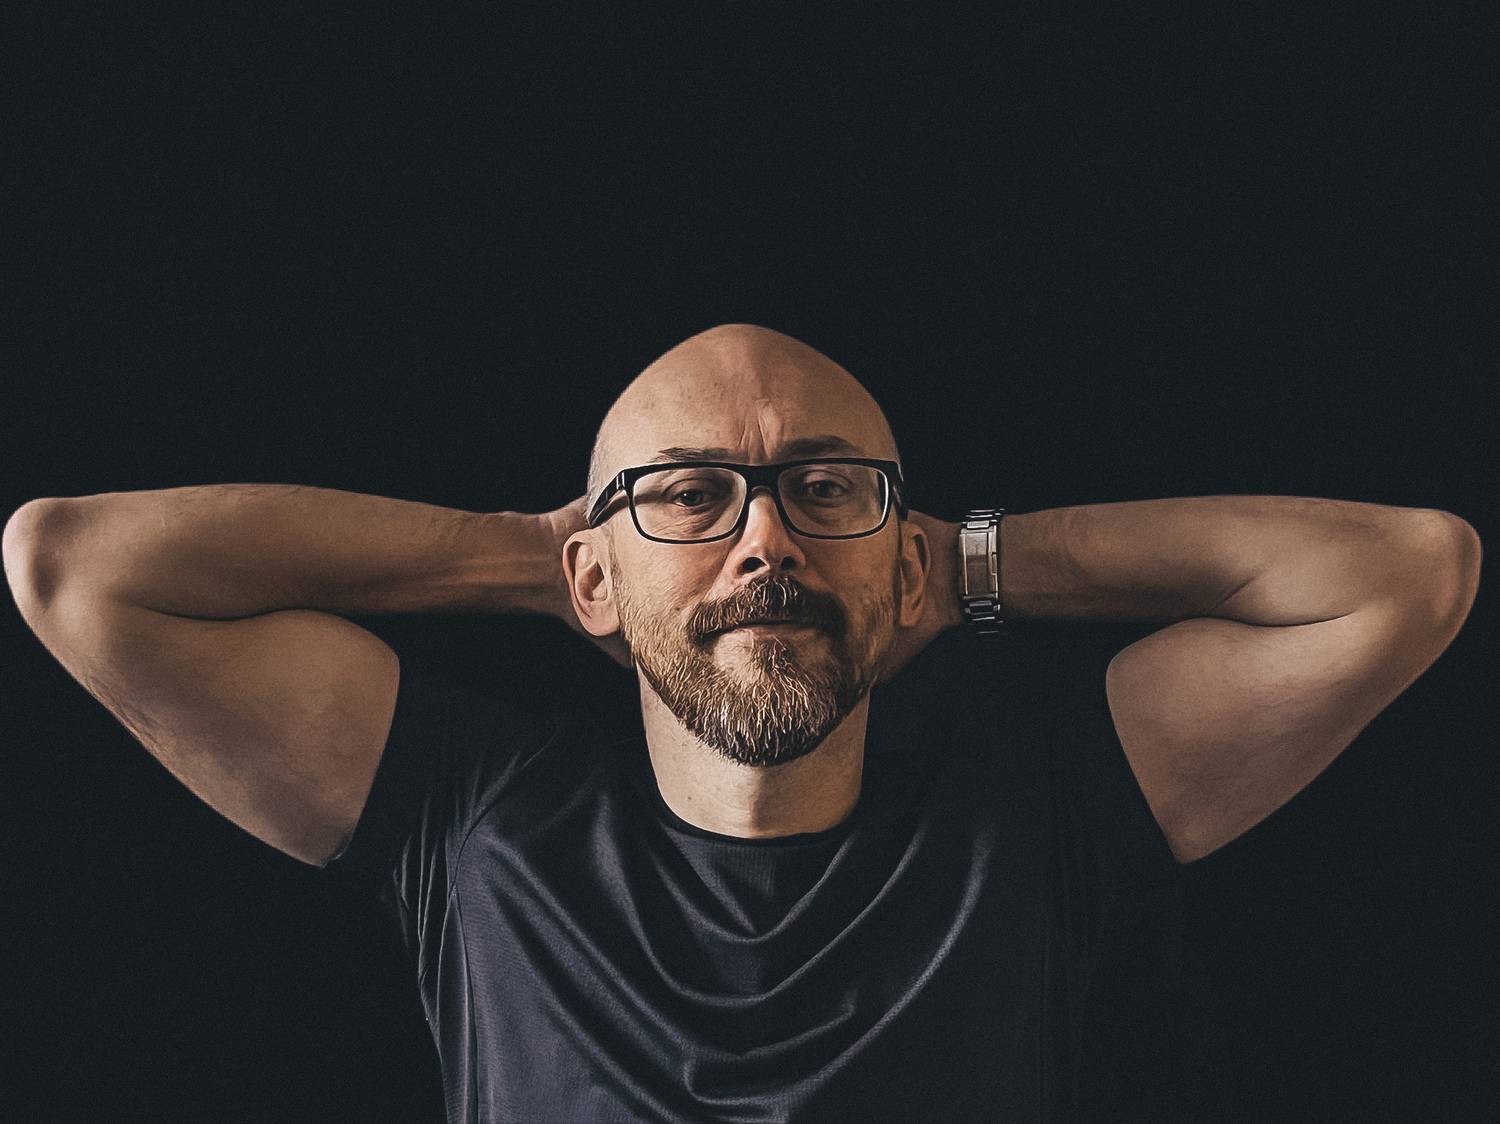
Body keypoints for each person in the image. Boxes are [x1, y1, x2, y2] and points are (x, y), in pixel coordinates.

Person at [2, 324, 1480, 1122]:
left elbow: (1407, 575)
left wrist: (964, 563)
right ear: (595, 572)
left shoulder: (1039, 815)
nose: (765, 540)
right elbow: (74, 565)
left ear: (906, 561)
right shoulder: (472, 825)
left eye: (826, 491)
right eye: (691, 495)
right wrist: (530, 559)